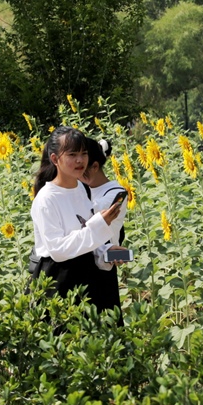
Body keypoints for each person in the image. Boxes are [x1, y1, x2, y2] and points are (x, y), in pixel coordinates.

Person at [30, 126, 125, 314]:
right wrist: (99, 225)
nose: (80, 160)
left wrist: (105, 250)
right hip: (58, 281)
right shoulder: (47, 198)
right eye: (72, 154)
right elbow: (57, 250)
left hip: (86, 278)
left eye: (83, 153)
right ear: (55, 159)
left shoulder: (81, 189)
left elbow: (83, 232)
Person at [82, 137, 130, 306]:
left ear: (95, 167)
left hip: (101, 270)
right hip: (81, 266)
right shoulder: (81, 189)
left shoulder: (118, 194)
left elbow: (86, 218)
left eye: (80, 167)